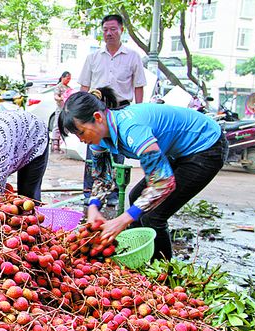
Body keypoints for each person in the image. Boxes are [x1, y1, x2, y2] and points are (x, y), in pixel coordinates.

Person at [60, 87, 227, 260]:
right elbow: (102, 177)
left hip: (205, 146)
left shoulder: (132, 128)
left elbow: (162, 182)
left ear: (97, 117)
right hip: (175, 151)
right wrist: (94, 207)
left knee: (153, 217)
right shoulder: (98, 139)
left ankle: (163, 274)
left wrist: (123, 220)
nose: (81, 139)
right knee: (136, 197)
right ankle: (141, 257)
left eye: (81, 132)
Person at [77, 14, 147, 206]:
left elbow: (139, 85)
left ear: (121, 30)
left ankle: (114, 194)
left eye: (113, 29)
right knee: (94, 152)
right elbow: (84, 86)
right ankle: (90, 193)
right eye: (105, 29)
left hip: (121, 111)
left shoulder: (133, 57)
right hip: (95, 109)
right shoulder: (93, 57)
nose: (109, 33)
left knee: (117, 155)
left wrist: (138, 112)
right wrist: (81, 111)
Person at [52, 71, 73, 152]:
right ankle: (55, 144)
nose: (68, 80)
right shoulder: (58, 87)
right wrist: (62, 98)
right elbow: (56, 96)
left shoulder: (68, 88)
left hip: (67, 110)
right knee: (57, 125)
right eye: (67, 78)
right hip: (60, 109)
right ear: (62, 77)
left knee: (66, 126)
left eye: (70, 79)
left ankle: (63, 143)